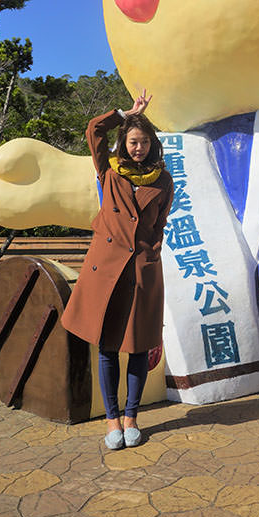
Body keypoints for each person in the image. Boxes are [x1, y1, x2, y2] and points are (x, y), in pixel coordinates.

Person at [61, 91, 174, 449]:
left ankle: (131, 417)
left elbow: (159, 224)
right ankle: (112, 419)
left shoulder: (163, 181)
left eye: (143, 142)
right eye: (132, 142)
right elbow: (94, 129)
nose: (138, 148)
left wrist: (151, 255)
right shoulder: (109, 171)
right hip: (107, 269)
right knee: (109, 348)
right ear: (124, 145)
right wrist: (127, 113)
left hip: (141, 272)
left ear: (152, 144)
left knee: (138, 348)